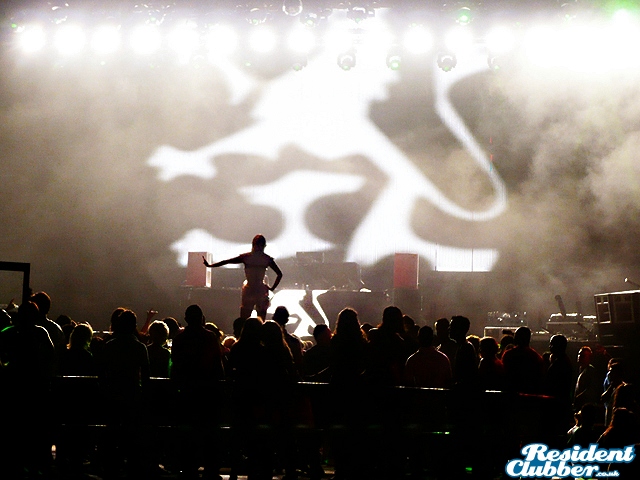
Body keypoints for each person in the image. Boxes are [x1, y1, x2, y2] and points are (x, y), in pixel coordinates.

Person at [203, 234, 283, 319]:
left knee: (245, 318)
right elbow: (279, 274)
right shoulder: (266, 259)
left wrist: (210, 265)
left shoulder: (247, 257)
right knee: (259, 319)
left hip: (250, 289)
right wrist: (272, 288)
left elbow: (226, 261)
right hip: (260, 290)